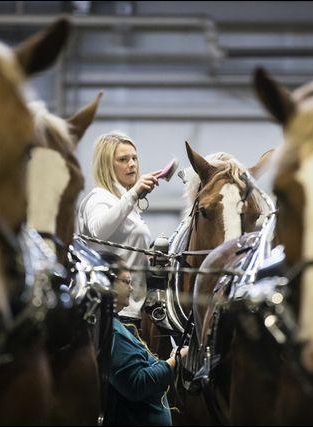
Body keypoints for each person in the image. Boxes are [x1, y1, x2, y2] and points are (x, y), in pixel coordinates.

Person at [77, 131, 159, 329]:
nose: (132, 164)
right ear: (107, 165)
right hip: (114, 311)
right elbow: (98, 230)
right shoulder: (99, 198)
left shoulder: (122, 202)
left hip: (134, 307)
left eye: (134, 158)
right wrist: (133, 195)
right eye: (123, 159)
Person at [99, 251, 188, 426]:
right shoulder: (112, 333)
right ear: (107, 284)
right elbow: (137, 385)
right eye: (126, 282)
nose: (131, 288)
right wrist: (176, 360)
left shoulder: (113, 326)